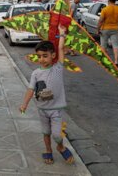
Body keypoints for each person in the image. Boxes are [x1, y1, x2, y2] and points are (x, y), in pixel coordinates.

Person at [19, 25, 74, 165]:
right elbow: (31, 89)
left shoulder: (58, 68)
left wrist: (62, 34)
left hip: (56, 109)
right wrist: (24, 104)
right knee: (46, 132)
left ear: (53, 55)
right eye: (39, 56)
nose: (42, 59)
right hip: (42, 109)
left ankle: (60, 146)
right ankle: (48, 150)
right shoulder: (36, 73)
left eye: (45, 56)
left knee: (56, 134)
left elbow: (60, 49)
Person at [97, 0, 118, 67]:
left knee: (103, 45)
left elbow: (100, 21)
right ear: (115, 1)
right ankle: (116, 61)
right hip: (115, 29)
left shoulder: (105, 9)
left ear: (108, 1)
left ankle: (103, 60)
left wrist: (98, 29)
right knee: (115, 45)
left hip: (105, 29)